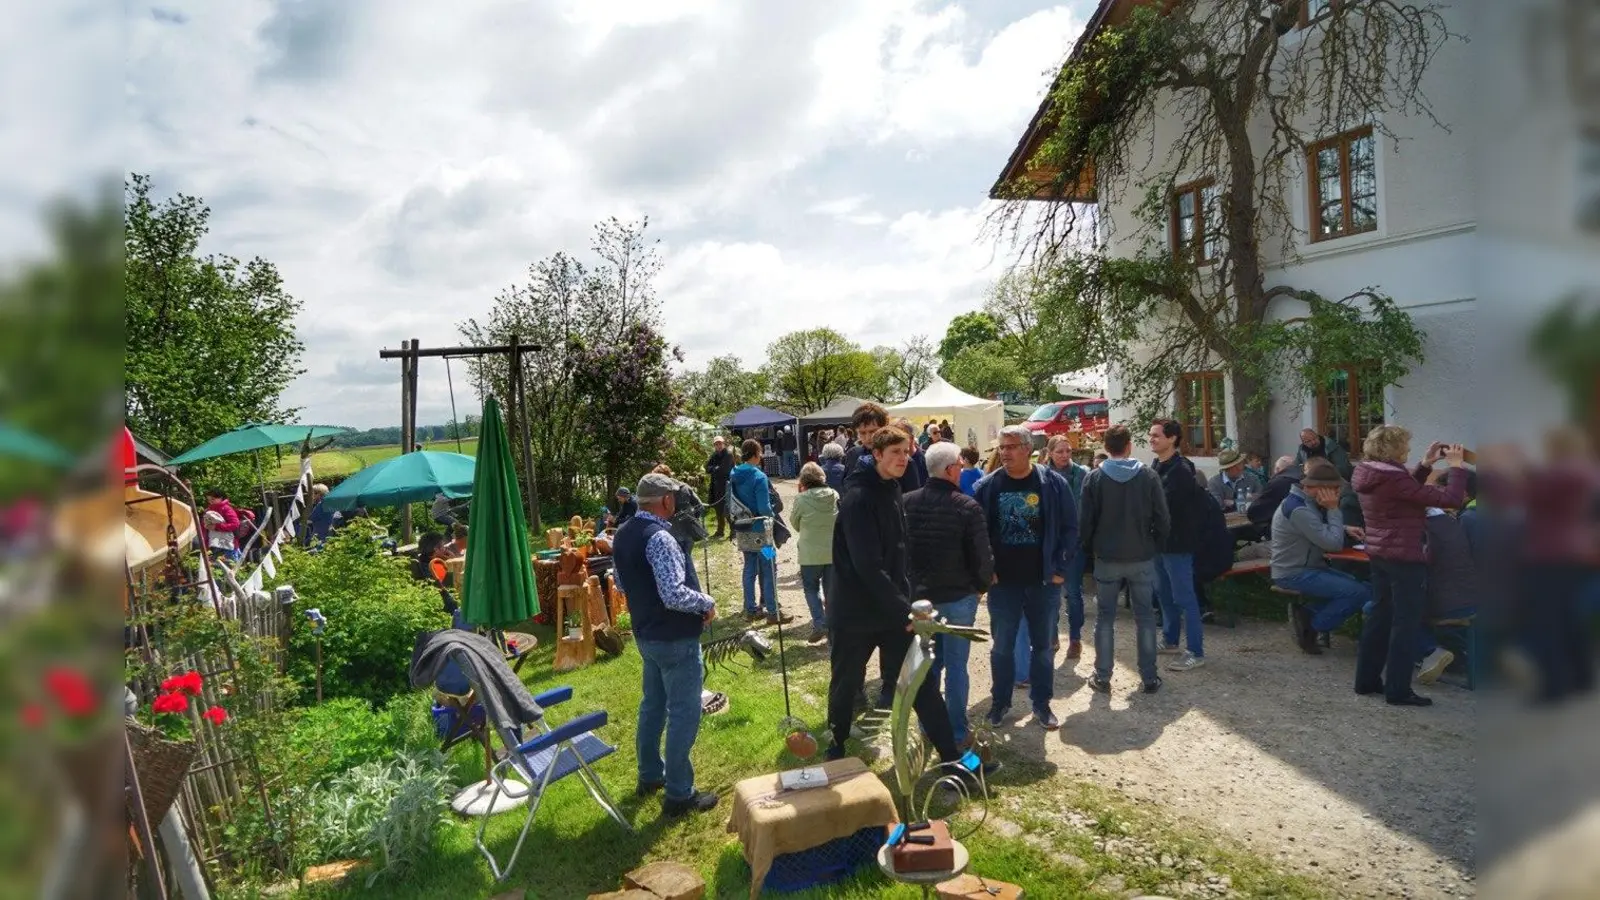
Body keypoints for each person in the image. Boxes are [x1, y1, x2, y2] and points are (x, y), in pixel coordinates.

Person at [826, 427, 966, 768]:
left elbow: (899, 556)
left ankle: (951, 755)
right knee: (845, 683)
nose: (903, 459)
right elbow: (867, 566)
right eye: (894, 453)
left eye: (906, 451)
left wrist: (911, 601)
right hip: (855, 612)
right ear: (876, 454)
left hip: (891, 612)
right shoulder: (858, 497)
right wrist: (906, 612)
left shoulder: (893, 488)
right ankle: (836, 747)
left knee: (921, 681)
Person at [612, 473, 719, 816]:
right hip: (675, 638)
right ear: (667, 501)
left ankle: (649, 776)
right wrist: (706, 602)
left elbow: (622, 584)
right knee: (683, 714)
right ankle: (679, 794)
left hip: (646, 635)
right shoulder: (660, 537)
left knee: (653, 707)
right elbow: (673, 593)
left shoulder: (622, 532)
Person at [1352, 428, 1467, 706]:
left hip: (1380, 551)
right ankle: (1398, 690)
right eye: (1405, 445)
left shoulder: (1370, 473)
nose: (1407, 449)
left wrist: (1426, 464)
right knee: (1405, 623)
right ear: (1394, 449)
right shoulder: (1392, 477)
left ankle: (1366, 681)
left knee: (1380, 617)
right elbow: (1451, 499)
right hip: (1404, 556)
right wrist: (1456, 468)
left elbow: (1406, 492)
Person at [973, 425, 1077, 731]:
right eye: (1001, 447)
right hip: (1003, 583)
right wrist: (984, 569)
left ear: (1028, 449)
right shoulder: (987, 487)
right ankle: (999, 704)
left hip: (1043, 581)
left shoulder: (1053, 484)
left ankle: (1042, 705)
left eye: (1011, 446)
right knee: (1002, 646)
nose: (1004, 452)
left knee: (1043, 647)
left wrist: (1060, 568)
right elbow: (975, 534)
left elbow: (1071, 529)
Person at [904, 441, 994, 747]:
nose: (962, 469)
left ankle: (929, 726)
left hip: (921, 601)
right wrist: (981, 587)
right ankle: (955, 730)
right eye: (959, 464)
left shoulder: (906, 503)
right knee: (956, 667)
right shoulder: (967, 507)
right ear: (950, 469)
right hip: (958, 598)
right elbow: (983, 557)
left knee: (928, 665)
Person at [1079, 425, 1169, 694]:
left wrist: (1089, 551)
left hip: (1107, 557)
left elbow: (1085, 523)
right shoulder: (1148, 476)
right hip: (1141, 555)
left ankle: (1103, 675)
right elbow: (1163, 518)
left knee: (1105, 618)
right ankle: (1149, 677)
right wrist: (1155, 546)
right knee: (1145, 618)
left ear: (1107, 448)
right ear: (1129, 445)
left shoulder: (1094, 478)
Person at [1271, 459, 1370, 655]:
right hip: (1294, 572)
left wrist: (1344, 528)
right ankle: (1312, 626)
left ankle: (1309, 614)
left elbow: (1313, 530)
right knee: (1357, 592)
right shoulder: (1299, 509)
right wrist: (1334, 509)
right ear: (1321, 488)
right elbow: (1332, 544)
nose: (1337, 493)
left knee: (1365, 588)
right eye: (1335, 489)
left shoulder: (1302, 502)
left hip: (1307, 567)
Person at [1149, 419, 1206, 672]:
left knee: (1185, 597)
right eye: (1150, 435)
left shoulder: (1181, 469)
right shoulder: (1157, 464)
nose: (1151, 439)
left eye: (1156, 435)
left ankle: (1195, 651)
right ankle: (1170, 640)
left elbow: (1168, 507)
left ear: (1172, 438)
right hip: (1159, 543)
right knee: (1164, 593)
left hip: (1178, 543)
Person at [1041, 434, 1091, 660]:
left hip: (1074, 543)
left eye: (1068, 451)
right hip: (1048, 543)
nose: (1065, 455)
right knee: (1049, 593)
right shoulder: (1042, 474)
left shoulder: (1081, 474)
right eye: (1060, 451)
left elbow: (1085, 508)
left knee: (1073, 593)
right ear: (1050, 453)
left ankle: (1075, 638)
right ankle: (1052, 636)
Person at [729, 440, 788, 624]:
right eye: (760, 452)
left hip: (743, 528)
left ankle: (750, 609)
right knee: (769, 568)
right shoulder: (759, 477)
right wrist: (772, 510)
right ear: (755, 453)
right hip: (763, 532)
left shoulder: (734, 474)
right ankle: (772, 611)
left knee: (749, 569)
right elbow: (764, 509)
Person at [791, 462, 840, 644]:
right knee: (831, 590)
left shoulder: (801, 499)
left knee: (811, 588)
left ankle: (819, 623)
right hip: (832, 551)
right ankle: (833, 627)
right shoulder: (834, 495)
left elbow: (795, 523)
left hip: (810, 553)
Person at [411, 531, 458, 615]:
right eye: (443, 547)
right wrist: (451, 559)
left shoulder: (422, 560)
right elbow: (450, 582)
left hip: (432, 595)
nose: (445, 549)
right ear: (436, 549)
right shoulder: (435, 564)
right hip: (447, 600)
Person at [1207, 448, 1265, 512]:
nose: (1241, 468)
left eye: (1240, 464)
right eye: (1236, 466)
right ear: (1227, 469)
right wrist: (1248, 500)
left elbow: (1261, 498)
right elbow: (1218, 505)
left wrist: (1234, 502)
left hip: (1250, 518)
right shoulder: (1214, 483)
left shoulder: (1252, 478)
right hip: (1226, 520)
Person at [842, 403, 890, 475]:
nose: (868, 437)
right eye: (862, 433)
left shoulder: (899, 455)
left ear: (885, 428)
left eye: (873, 431)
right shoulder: (853, 454)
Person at [705, 436, 736, 540]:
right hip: (716, 485)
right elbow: (707, 468)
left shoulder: (728, 454)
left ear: (723, 444)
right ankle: (720, 531)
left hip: (726, 485)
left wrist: (714, 468)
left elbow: (724, 470)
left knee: (727, 508)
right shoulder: (714, 455)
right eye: (716, 444)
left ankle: (734, 531)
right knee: (718, 509)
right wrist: (715, 468)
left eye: (720, 443)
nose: (718, 445)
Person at [202, 489, 242, 564]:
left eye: (213, 499)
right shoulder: (209, 509)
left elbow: (235, 524)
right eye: (209, 499)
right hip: (215, 542)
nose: (210, 501)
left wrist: (216, 527)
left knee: (230, 565)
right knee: (217, 566)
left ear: (220, 498)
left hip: (228, 543)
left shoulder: (226, 509)